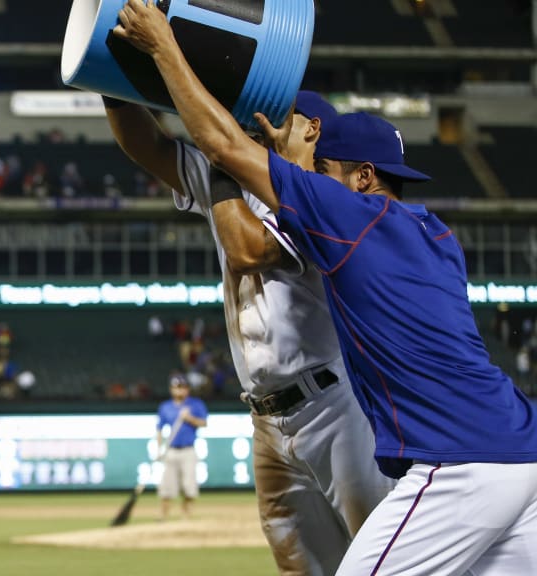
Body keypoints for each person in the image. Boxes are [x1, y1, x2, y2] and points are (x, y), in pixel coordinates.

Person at [113, 2, 537, 573]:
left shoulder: (338, 212)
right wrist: (112, 75)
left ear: (357, 173)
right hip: (512, 444)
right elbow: (166, 149)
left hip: (419, 441)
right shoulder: (431, 231)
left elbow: (243, 235)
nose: (260, 122)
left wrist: (167, 50)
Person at [105, 44, 393, 576]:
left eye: (281, 114)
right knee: (301, 568)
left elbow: (248, 249)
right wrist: (112, 80)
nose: (260, 119)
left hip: (336, 406)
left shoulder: (321, 195)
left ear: (313, 132)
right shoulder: (235, 183)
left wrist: (220, 157)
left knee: (386, 558)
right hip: (266, 414)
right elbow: (146, 145)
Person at [155, 375, 207, 521]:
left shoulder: (195, 404)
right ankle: (162, 516)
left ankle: (186, 517)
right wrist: (159, 449)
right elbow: (159, 429)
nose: (180, 390)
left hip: (188, 450)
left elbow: (203, 423)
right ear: (171, 389)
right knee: (167, 486)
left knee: (189, 485)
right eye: (177, 387)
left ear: (187, 389)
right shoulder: (166, 407)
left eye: (183, 387)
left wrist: (189, 418)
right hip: (171, 450)